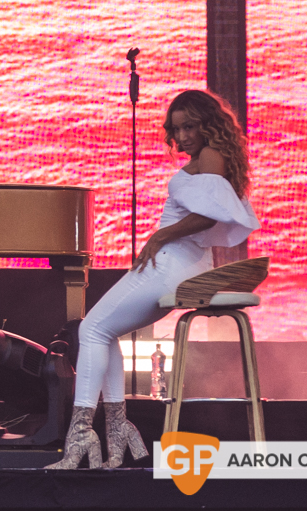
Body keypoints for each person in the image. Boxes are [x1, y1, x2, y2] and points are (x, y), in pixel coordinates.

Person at [49, 89, 258, 469]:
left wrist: (160, 236)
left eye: (189, 126)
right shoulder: (214, 157)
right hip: (186, 265)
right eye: (176, 129)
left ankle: (82, 437)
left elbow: (209, 215)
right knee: (104, 332)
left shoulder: (210, 157)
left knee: (90, 330)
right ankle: (117, 434)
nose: (182, 137)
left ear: (208, 124)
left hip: (170, 265)